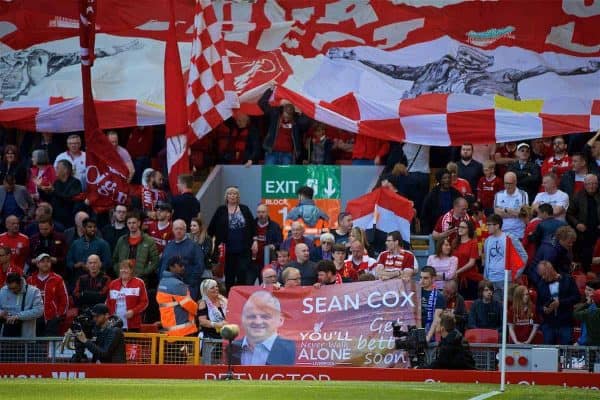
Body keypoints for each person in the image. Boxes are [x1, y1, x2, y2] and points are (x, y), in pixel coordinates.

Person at [208, 186, 257, 291]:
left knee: (242, 273)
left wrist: (255, 241)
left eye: (235, 194)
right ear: (226, 196)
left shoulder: (245, 209)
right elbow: (211, 229)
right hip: (226, 250)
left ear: (238, 196)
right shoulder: (221, 210)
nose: (232, 196)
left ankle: (241, 297)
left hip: (243, 249)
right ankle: (230, 298)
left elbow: (253, 227)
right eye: (230, 193)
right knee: (229, 275)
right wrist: (211, 245)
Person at [231, 290, 296, 365]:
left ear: (280, 320)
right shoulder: (232, 348)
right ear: (242, 319)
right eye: (251, 316)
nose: (258, 322)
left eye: (265, 317)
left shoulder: (289, 349)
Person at [530, 261, 579, 345]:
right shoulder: (541, 284)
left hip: (565, 322)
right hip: (548, 324)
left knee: (566, 349)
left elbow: (576, 297)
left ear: (550, 270)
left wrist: (560, 303)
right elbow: (538, 306)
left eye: (544, 274)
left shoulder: (568, 280)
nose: (543, 277)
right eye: (541, 275)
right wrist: (543, 309)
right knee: (549, 350)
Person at [482, 214, 528, 302]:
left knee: (506, 308)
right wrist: (486, 277)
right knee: (495, 308)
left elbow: (524, 256)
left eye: (489, 225)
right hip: (491, 280)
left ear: (497, 226)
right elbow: (487, 260)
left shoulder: (510, 238)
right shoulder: (487, 241)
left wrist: (516, 273)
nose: (487, 227)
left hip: (506, 279)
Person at [259, 88, 311, 165]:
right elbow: (262, 103)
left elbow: (306, 121)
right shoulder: (275, 114)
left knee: (287, 177)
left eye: (289, 116)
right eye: (285, 115)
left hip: (288, 155)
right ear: (282, 110)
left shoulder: (296, 120)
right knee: (269, 175)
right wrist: (270, 90)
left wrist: (301, 109)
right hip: (271, 153)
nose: (286, 119)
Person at [159, 220, 205, 301]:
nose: (178, 231)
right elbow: (163, 265)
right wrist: (162, 281)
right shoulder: (169, 246)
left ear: (185, 230)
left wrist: (189, 283)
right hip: (169, 288)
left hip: (187, 288)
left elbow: (199, 267)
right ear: (172, 230)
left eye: (181, 229)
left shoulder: (194, 246)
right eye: (176, 229)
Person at [112, 212, 159, 288]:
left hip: (141, 280)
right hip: (123, 279)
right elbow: (115, 259)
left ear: (139, 223)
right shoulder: (122, 240)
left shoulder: (148, 240)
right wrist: (119, 271)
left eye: (134, 222)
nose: (131, 225)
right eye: (129, 223)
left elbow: (155, 261)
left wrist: (144, 272)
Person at [26, 253, 68, 336]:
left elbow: (64, 299)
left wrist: (58, 315)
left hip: (52, 318)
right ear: (37, 264)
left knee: (50, 345)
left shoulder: (57, 279)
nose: (46, 263)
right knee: (34, 345)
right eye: (42, 261)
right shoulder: (30, 280)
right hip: (33, 318)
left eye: (48, 261)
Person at [156, 257, 198, 337]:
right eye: (180, 265)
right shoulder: (177, 284)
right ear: (172, 267)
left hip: (169, 330)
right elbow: (189, 305)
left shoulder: (162, 282)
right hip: (183, 332)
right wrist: (199, 309)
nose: (183, 268)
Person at [566, 174, 600, 273]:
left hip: (598, 232)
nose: (592, 186)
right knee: (584, 258)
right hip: (583, 233)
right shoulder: (577, 196)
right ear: (585, 185)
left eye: (594, 183)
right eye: (589, 184)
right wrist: (577, 224)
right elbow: (569, 214)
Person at [66, 217, 111, 290]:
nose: (93, 229)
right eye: (90, 227)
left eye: (94, 227)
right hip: (78, 279)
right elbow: (69, 261)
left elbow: (108, 262)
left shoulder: (103, 244)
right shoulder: (76, 243)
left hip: (98, 280)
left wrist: (93, 266)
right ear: (83, 229)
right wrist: (76, 265)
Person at [106, 260, 149, 332]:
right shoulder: (113, 284)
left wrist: (133, 311)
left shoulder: (139, 283)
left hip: (133, 324)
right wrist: (109, 315)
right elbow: (108, 302)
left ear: (131, 270)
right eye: (121, 268)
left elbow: (144, 302)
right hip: (115, 324)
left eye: (126, 268)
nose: (123, 271)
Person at [0, 273, 43, 337]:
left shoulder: (34, 291)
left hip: (26, 337)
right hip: (6, 336)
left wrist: (18, 316)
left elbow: (39, 311)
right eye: (10, 288)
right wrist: (1, 313)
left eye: (14, 288)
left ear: (20, 283)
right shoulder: (3, 290)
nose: (12, 291)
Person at [421, 169, 461, 234]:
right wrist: (427, 232)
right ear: (439, 180)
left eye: (448, 177)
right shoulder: (432, 195)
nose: (447, 180)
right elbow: (425, 215)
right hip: (436, 229)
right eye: (444, 178)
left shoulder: (456, 194)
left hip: (454, 229)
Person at [252, 204, 283, 284]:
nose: (261, 214)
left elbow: (280, 242)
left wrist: (274, 245)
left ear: (268, 213)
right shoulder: (251, 225)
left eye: (263, 212)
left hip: (267, 262)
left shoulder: (275, 226)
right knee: (248, 283)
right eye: (258, 212)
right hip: (252, 262)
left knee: (265, 285)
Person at [493, 172, 529, 239]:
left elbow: (524, 214)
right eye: (506, 183)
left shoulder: (523, 194)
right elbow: (497, 213)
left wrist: (505, 210)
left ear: (515, 182)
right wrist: (515, 212)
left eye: (510, 183)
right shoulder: (498, 195)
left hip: (518, 233)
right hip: (502, 233)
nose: (508, 186)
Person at [47, 159, 82, 228]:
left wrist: (54, 191)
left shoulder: (75, 183)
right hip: (55, 217)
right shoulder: (56, 183)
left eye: (57, 168)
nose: (55, 170)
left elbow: (69, 198)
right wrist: (42, 190)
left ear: (65, 170)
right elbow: (50, 198)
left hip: (68, 218)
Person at [454, 220, 482, 301]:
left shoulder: (473, 243)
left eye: (463, 227)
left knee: (469, 303)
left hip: (470, 279)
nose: (460, 229)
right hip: (457, 279)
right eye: (459, 227)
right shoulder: (455, 243)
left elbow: (471, 263)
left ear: (469, 229)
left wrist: (457, 272)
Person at [420, 266, 445, 343]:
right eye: (421, 278)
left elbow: (436, 319)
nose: (422, 281)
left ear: (433, 279)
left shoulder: (439, 296)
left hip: (430, 333)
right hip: (415, 330)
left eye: (426, 278)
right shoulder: (415, 293)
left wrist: (428, 337)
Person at [574, 282, 600, 346]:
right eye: (586, 289)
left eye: (590, 290)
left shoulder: (592, 309)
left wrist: (580, 342)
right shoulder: (590, 306)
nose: (587, 292)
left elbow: (576, 313)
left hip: (589, 344)